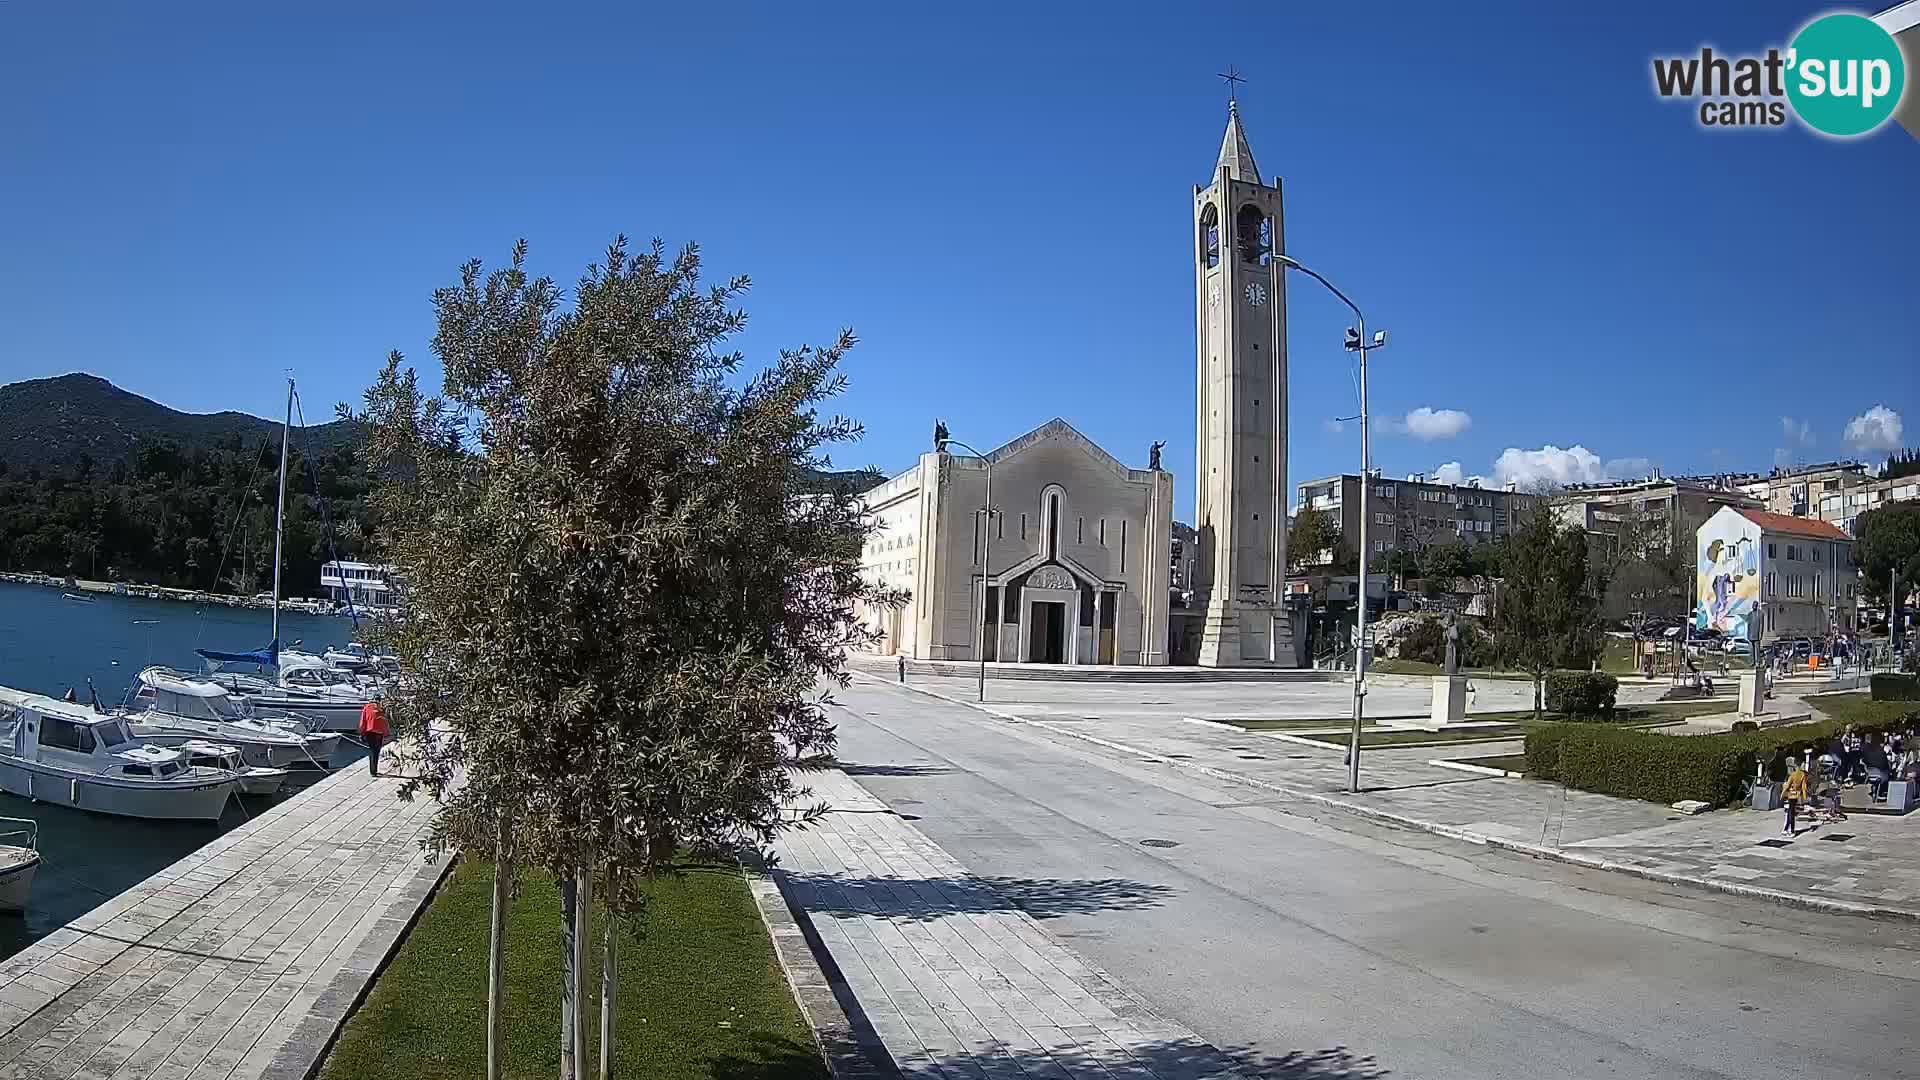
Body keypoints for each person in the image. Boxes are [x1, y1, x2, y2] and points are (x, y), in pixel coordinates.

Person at [359, 699, 389, 777]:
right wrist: (386, 733)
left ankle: (373, 771)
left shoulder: (367, 707)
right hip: (379, 732)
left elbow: (363, 721)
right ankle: (374, 770)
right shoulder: (382, 707)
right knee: (376, 751)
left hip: (370, 731)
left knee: (372, 750)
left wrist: (362, 733)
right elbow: (385, 721)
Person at [1782, 757, 1808, 835]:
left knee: (1790, 812)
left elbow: (1787, 786)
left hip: (1790, 794)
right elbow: (1804, 787)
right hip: (1796, 794)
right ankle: (1788, 829)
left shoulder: (1793, 774)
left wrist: (1782, 794)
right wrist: (1804, 798)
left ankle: (1790, 829)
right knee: (1791, 811)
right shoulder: (1802, 774)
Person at [1864, 735, 1892, 804]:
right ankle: (1883, 792)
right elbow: (1885, 764)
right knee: (1889, 775)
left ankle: (1876, 792)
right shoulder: (1882, 752)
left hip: (1870, 774)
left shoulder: (1868, 752)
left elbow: (1865, 762)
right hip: (1880, 774)